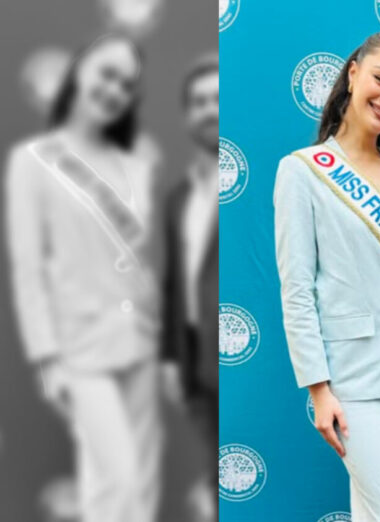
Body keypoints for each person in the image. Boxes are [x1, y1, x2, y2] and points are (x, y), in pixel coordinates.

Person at [273, 31, 380, 522]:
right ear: (352, 73)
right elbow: (297, 289)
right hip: (353, 377)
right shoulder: (303, 172)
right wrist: (318, 389)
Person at [4, 33, 163, 522]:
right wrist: (47, 356)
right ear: (79, 73)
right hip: (79, 346)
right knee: (117, 482)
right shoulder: (33, 159)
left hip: (139, 339)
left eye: (126, 84)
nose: (113, 89)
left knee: (134, 483)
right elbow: (27, 264)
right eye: (106, 74)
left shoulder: (138, 163)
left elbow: (147, 258)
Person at [160, 52, 219, 521]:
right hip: (195, 366)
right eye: (197, 101)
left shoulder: (246, 187)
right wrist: (170, 357)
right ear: (186, 115)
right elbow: (172, 282)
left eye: (216, 98)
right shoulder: (179, 195)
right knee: (212, 480)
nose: (207, 109)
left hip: (238, 360)